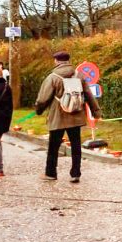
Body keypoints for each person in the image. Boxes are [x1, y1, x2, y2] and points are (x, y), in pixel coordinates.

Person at [35, 51, 100, 183]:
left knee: (53, 146)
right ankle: (75, 173)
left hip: (58, 117)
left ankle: (51, 173)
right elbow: (88, 94)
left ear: (56, 61)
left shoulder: (52, 77)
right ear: (68, 60)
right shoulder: (78, 76)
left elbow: (43, 99)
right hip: (76, 116)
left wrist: (39, 109)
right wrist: (96, 111)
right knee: (76, 145)